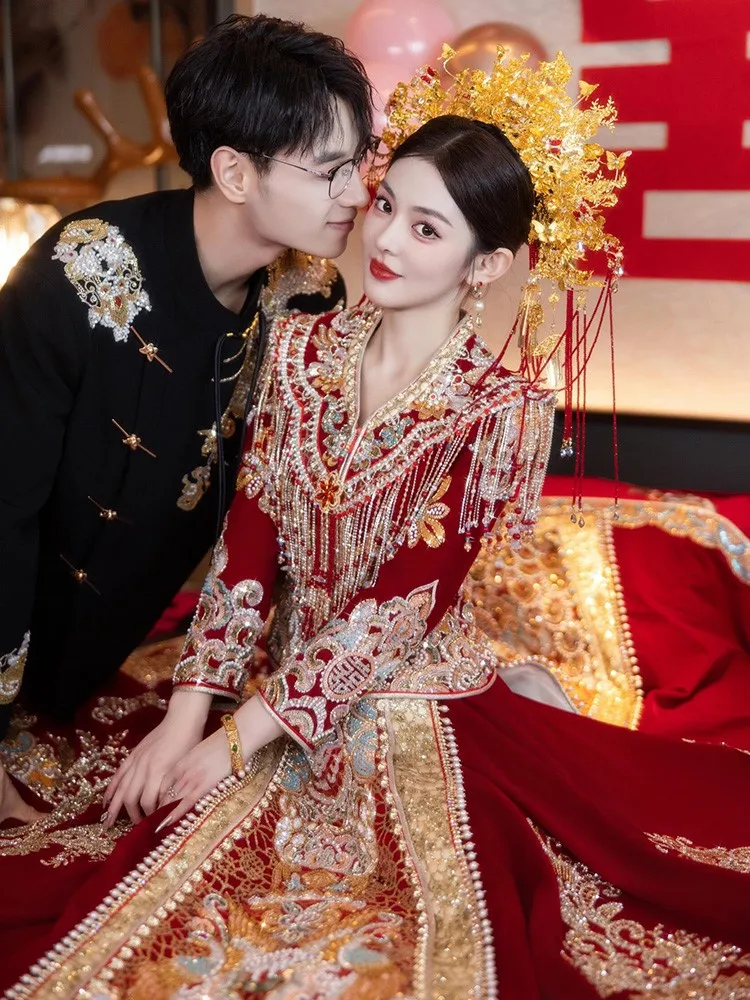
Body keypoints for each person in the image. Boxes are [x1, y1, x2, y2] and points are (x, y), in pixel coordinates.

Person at [5, 60, 750, 1000]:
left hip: (403, 692)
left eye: (427, 227)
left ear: (483, 265)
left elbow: (395, 609)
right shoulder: (300, 343)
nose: (385, 239)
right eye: (386, 201)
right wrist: (191, 710)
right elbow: (250, 539)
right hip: (266, 673)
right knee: (89, 793)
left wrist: (230, 746)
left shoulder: (504, 411)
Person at [0, 13, 373, 823]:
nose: (356, 193)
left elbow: (274, 503)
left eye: (362, 162)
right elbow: (3, 509)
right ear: (236, 173)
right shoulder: (80, 269)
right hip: (25, 638)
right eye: (330, 170)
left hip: (134, 638)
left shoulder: (308, 293)